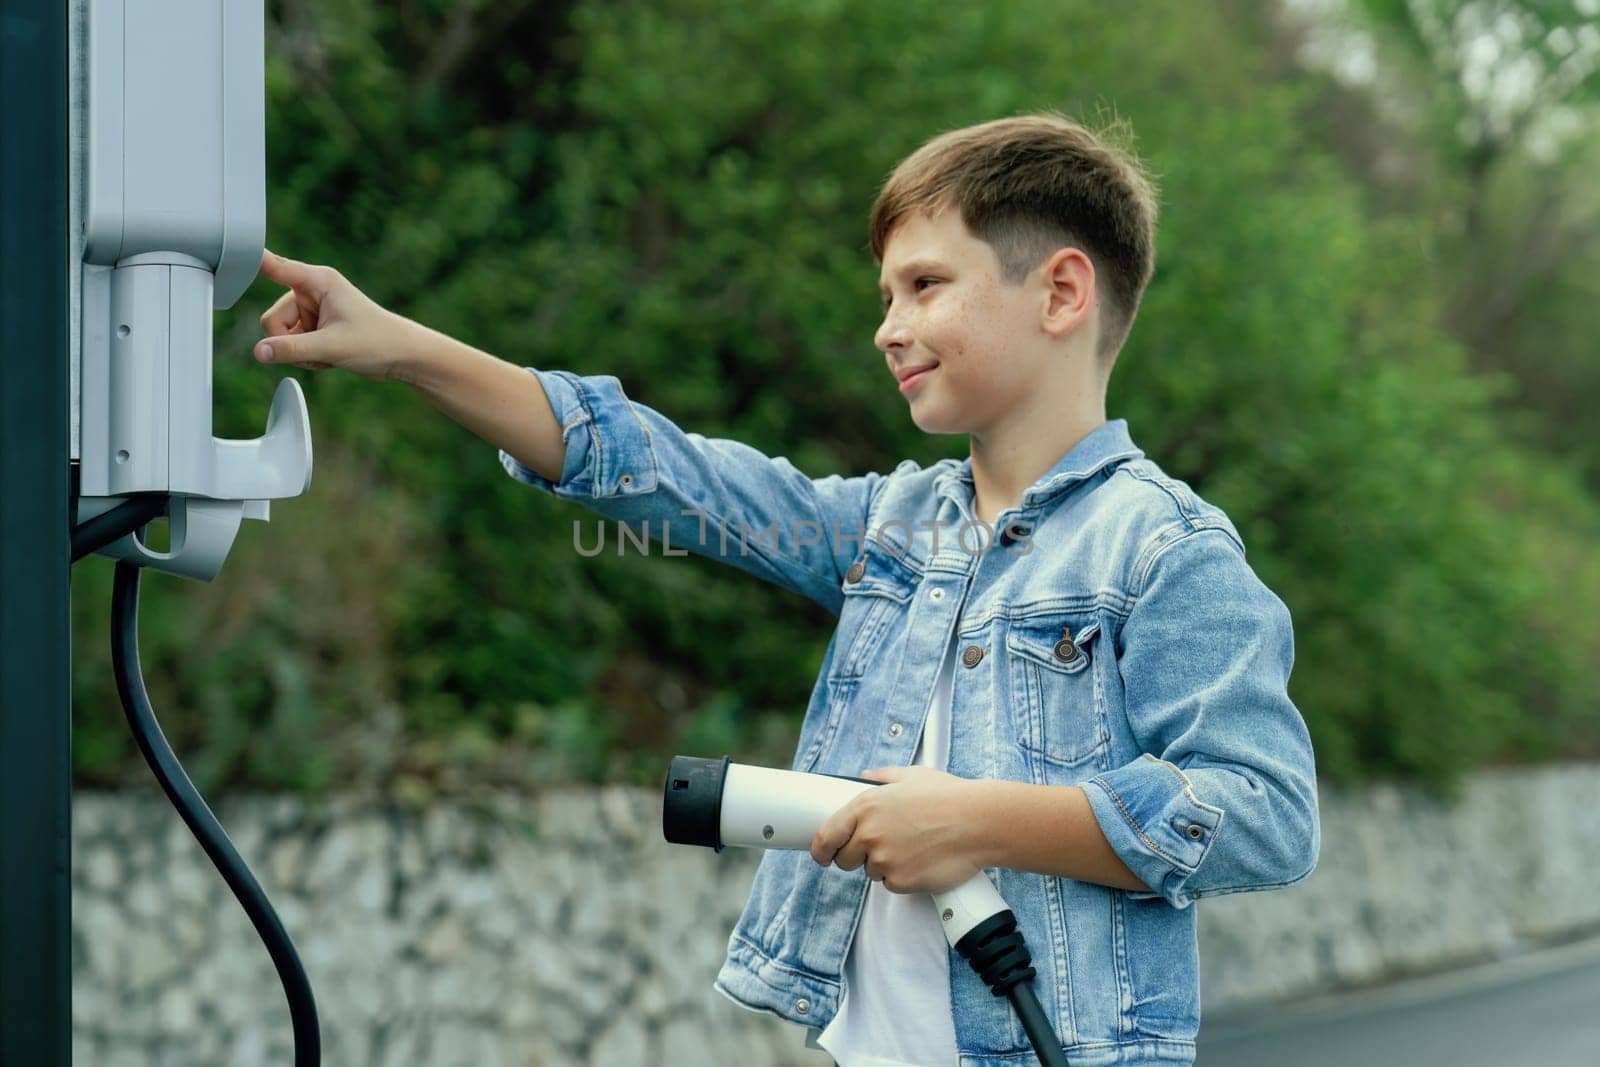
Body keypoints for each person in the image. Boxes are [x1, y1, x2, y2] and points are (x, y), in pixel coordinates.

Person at [254, 112, 1319, 1067]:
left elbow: (1265, 812)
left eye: (925, 285)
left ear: (1061, 291)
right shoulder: (892, 526)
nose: (886, 327)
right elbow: (662, 469)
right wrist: (400, 349)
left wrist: (979, 822)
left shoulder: (1163, 548)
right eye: (886, 294)